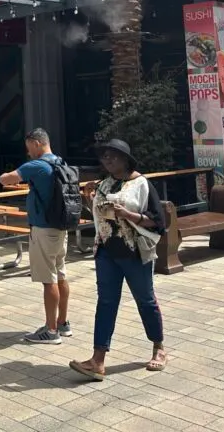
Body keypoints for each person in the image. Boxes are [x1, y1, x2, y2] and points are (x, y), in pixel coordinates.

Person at [70, 139, 166, 382]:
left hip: (134, 252)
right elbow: (98, 214)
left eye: (113, 156)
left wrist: (128, 214)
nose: (108, 160)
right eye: (104, 157)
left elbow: (158, 221)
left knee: (145, 299)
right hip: (106, 251)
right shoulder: (104, 184)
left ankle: (158, 347)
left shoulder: (141, 183)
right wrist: (88, 197)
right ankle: (97, 360)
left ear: (125, 158)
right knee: (106, 303)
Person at [0, 128, 72, 344]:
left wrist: (20, 176)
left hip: (43, 228)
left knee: (49, 280)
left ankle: (50, 331)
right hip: (60, 227)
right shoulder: (60, 162)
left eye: (29, 147)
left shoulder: (37, 165)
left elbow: (5, 179)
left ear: (37, 143)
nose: (28, 152)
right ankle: (63, 322)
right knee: (60, 274)